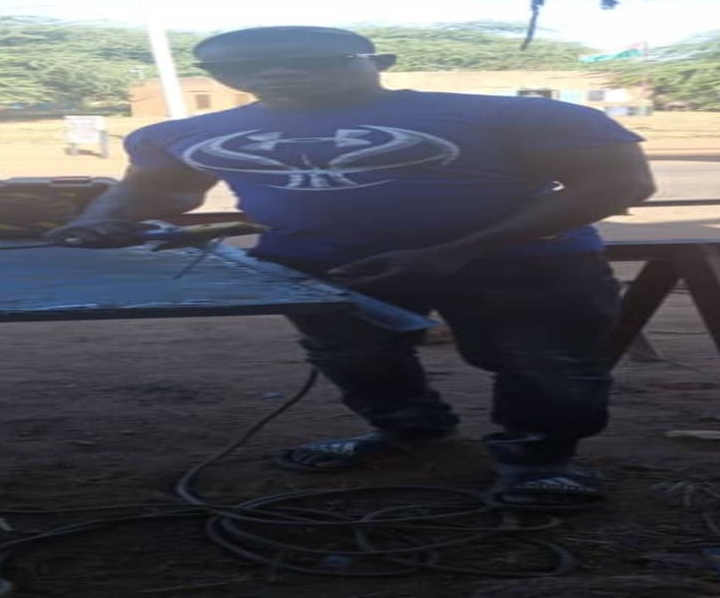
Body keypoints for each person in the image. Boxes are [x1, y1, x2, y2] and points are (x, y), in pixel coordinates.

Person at [44, 26, 656, 510]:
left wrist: (456, 249)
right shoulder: (182, 133)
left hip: (521, 263)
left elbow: (619, 183)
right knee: (355, 357)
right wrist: (104, 219)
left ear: (379, 62)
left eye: (310, 62)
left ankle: (539, 462)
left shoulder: (515, 116)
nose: (275, 74)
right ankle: (408, 433)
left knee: (544, 361)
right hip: (320, 267)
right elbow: (156, 192)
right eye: (245, 67)